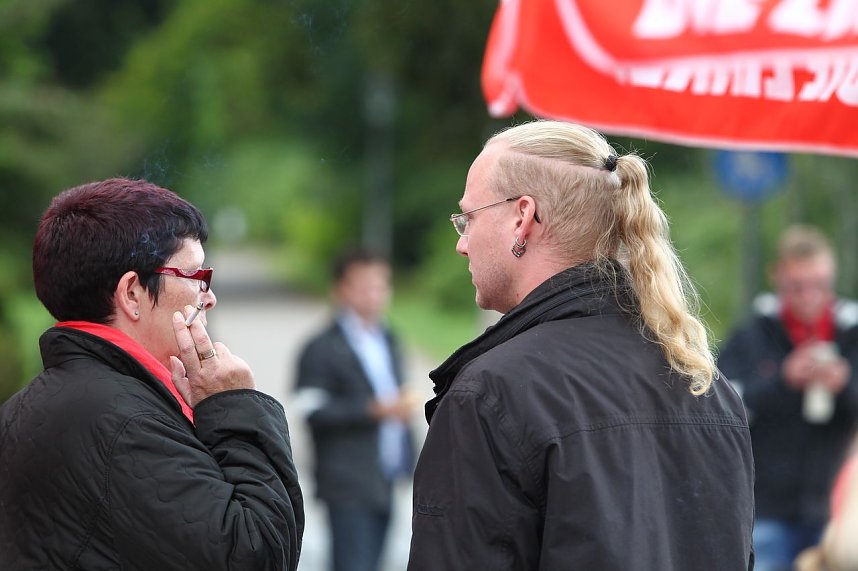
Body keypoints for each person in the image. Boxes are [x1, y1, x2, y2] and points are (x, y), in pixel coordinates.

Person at [406, 120, 755, 570]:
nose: (463, 244)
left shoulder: (492, 394)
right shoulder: (704, 383)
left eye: (468, 218)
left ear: (522, 217)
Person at [0, 178, 304, 570]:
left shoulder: (25, 407)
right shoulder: (125, 423)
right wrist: (233, 406)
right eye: (196, 277)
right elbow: (258, 552)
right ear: (132, 294)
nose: (209, 297)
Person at [719, 225, 858, 571]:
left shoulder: (852, 335)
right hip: (767, 505)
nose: (809, 297)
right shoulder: (751, 336)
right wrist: (781, 379)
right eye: (797, 287)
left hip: (843, 507)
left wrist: (845, 383)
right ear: (777, 278)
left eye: (819, 286)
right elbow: (721, 406)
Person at [295, 249, 415, 571]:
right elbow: (310, 411)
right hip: (347, 482)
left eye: (381, 285)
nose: (375, 294)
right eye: (365, 285)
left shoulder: (389, 337)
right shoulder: (320, 347)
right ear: (341, 290)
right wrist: (370, 410)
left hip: (386, 475)